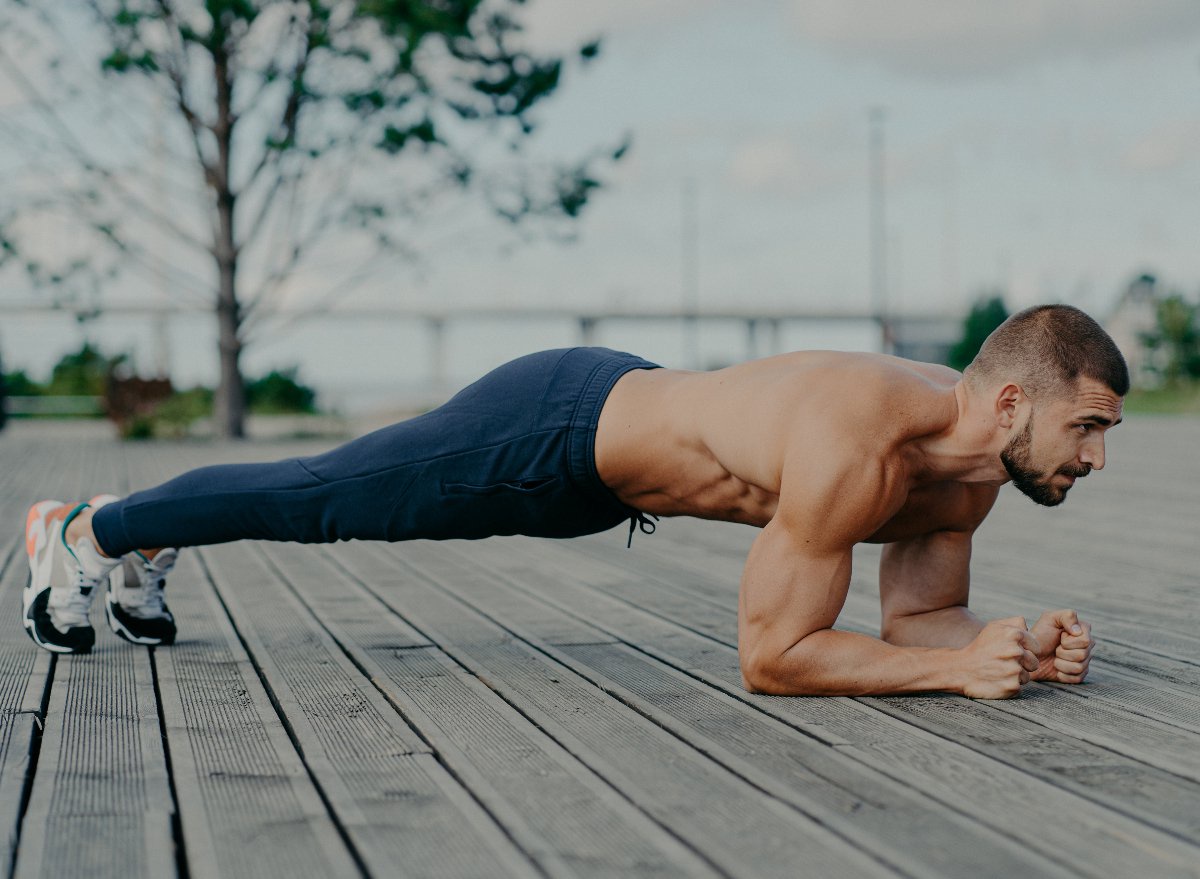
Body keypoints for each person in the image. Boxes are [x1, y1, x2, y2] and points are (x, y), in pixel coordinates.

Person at [24, 304, 1122, 699]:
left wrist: (1007, 643)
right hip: (552, 430)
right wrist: (948, 674)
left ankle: (139, 537)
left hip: (605, 473)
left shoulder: (972, 474)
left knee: (323, 494)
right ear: (1013, 398)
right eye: (1089, 429)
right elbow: (773, 656)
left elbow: (917, 621)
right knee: (325, 497)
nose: (1097, 459)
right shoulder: (861, 438)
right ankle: (88, 529)